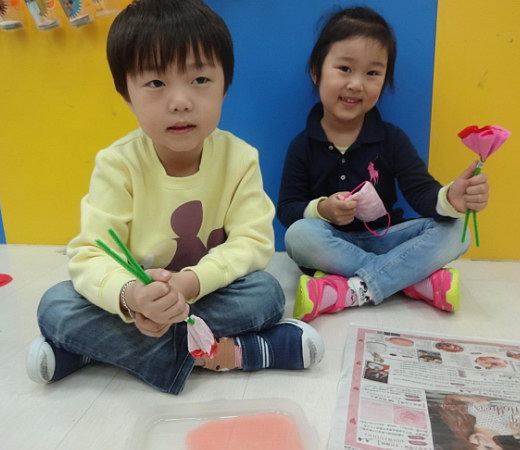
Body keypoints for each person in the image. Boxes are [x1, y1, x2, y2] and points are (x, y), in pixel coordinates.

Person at [25, 0, 324, 395]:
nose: (180, 101)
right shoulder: (118, 164)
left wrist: (188, 283)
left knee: (265, 294)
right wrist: (133, 297)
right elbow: (91, 254)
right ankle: (236, 353)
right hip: (140, 299)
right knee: (56, 304)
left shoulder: (239, 158)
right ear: (126, 94)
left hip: (205, 292)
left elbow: (252, 242)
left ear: (224, 86)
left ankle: (94, 352)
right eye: (156, 83)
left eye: (200, 79)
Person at [277, 7, 490, 321]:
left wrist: (451, 199)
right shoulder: (303, 145)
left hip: (387, 238)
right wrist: (323, 209)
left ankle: (351, 289)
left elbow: (421, 192)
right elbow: (287, 209)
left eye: (372, 73)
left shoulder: (391, 139)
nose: (356, 84)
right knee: (298, 236)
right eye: (345, 68)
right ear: (316, 72)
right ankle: (410, 281)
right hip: (333, 245)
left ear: (385, 79)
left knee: (458, 231)